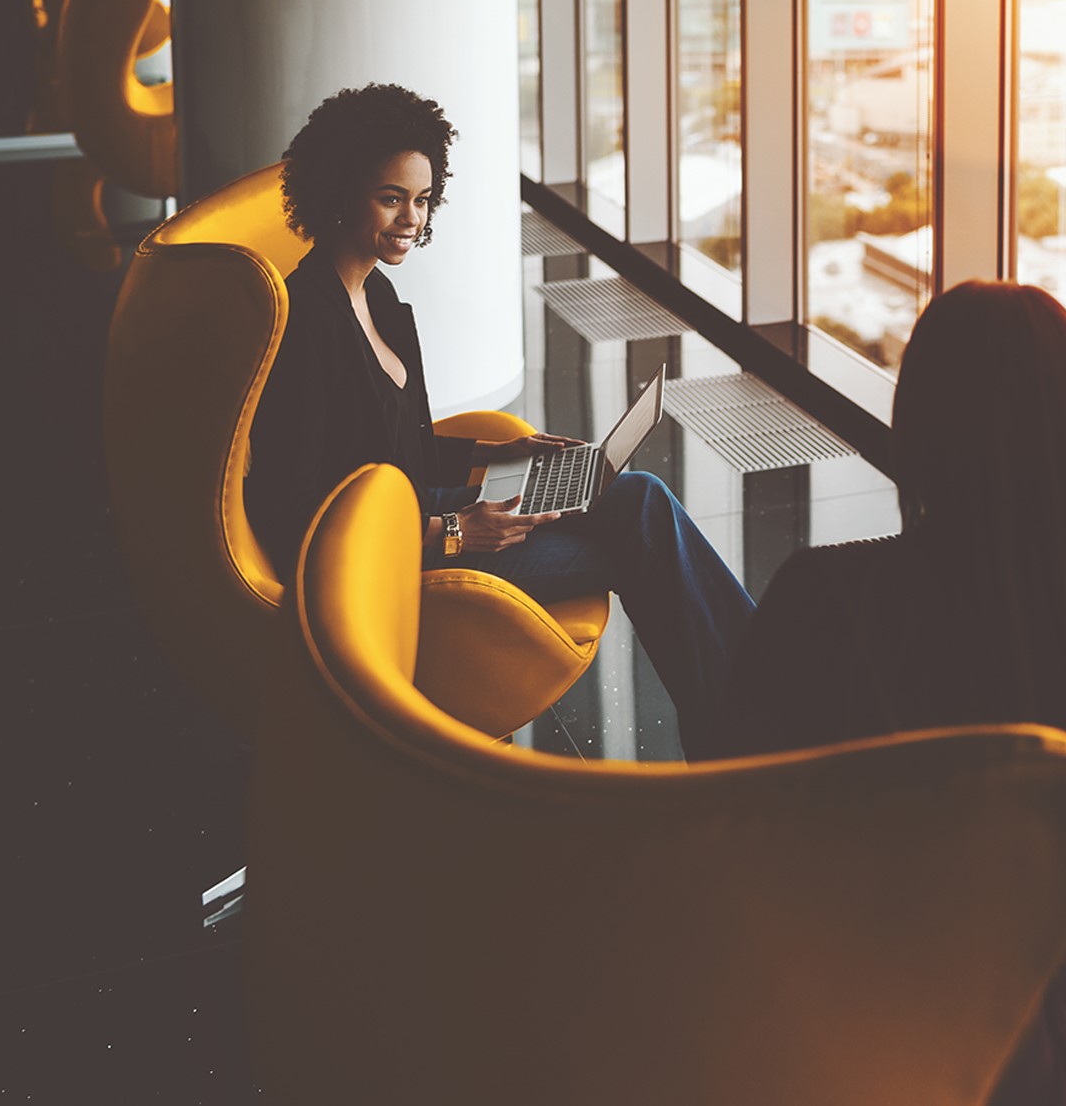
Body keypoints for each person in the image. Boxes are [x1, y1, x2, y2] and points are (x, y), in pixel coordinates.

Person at [696, 280, 1066, 1105]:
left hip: (845, 1031)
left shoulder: (826, 595)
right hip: (1042, 1055)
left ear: (920, 429)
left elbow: (734, 820)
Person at [246, 83, 753, 727]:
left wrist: (499, 452)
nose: (412, 219)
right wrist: (459, 532)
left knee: (641, 494)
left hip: (413, 509)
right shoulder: (304, 325)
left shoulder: (379, 302)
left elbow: (401, 449)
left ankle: (755, 691)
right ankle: (751, 712)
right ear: (339, 192)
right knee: (646, 544)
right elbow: (297, 520)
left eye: (423, 199)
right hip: (390, 554)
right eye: (390, 198)